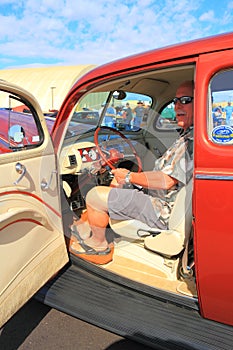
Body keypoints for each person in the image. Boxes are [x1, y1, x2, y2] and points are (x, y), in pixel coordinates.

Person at [69, 81, 194, 265]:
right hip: (161, 199)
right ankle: (84, 227)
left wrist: (129, 176)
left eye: (185, 100)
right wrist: (129, 179)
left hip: (161, 209)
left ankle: (98, 247)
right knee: (116, 185)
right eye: (175, 101)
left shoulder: (190, 142)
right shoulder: (187, 135)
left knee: (95, 195)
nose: (177, 105)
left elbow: (167, 181)